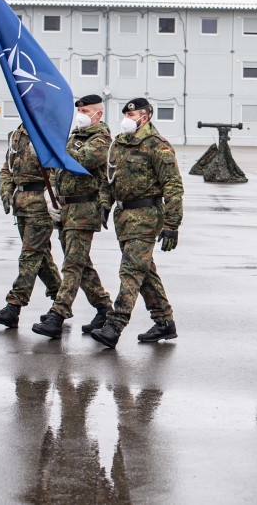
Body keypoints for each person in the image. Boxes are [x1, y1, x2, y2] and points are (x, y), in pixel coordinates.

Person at [91, 97, 184, 348]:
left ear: (145, 117)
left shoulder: (158, 146)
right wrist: (104, 203)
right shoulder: (119, 144)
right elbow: (108, 178)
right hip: (123, 218)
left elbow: (173, 187)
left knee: (130, 272)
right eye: (125, 115)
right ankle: (164, 321)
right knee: (144, 272)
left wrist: (172, 224)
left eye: (132, 116)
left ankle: (114, 325)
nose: (127, 119)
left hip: (146, 217)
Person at [31, 95, 115, 339]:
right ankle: (104, 308)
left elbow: (80, 159)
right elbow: (58, 168)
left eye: (85, 110)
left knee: (72, 265)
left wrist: (54, 143)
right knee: (81, 264)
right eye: (79, 110)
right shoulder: (75, 138)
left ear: (98, 114)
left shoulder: (102, 139)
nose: (80, 114)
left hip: (84, 210)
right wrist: (52, 195)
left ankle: (58, 314)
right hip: (67, 209)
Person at [0, 123, 62, 328]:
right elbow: (6, 170)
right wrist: (6, 193)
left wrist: (53, 195)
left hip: (40, 204)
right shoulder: (16, 135)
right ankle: (61, 299)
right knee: (41, 256)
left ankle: (14, 306)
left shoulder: (48, 133)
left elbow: (57, 168)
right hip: (20, 203)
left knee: (30, 254)